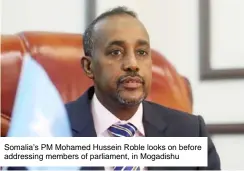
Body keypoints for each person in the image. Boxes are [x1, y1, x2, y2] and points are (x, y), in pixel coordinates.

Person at [65, 6, 221, 170]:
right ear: (89, 66)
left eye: (141, 52)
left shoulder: (190, 132)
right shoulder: (49, 130)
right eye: (116, 52)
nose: (132, 64)